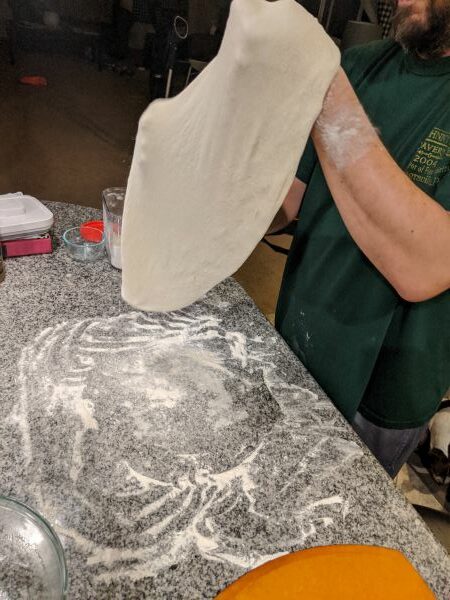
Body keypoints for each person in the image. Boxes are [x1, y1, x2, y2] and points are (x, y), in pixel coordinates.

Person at [273, 0, 450, 477]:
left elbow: (425, 265)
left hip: (382, 393)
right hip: (298, 341)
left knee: (328, 527)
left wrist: (322, 85)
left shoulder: (336, 81)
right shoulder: (358, 65)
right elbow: (289, 199)